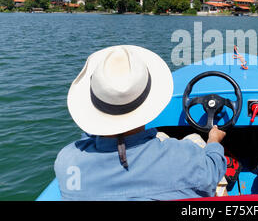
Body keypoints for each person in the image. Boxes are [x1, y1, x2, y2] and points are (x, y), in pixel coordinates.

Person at [54, 45, 227, 200]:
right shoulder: (184, 157)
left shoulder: (68, 162)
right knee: (194, 137)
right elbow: (213, 169)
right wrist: (213, 141)